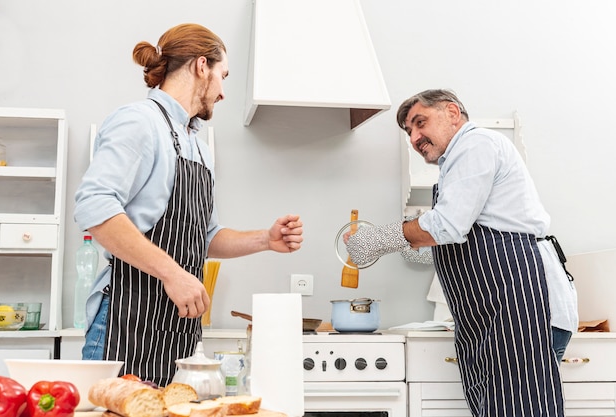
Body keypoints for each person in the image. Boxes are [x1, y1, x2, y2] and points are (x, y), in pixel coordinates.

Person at [74, 23, 303, 386]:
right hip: (125, 321)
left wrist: (265, 239)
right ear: (201, 66)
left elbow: (204, 235)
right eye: (222, 75)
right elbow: (94, 208)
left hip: (177, 331)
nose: (223, 92)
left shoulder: (198, 145)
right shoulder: (139, 121)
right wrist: (173, 274)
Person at [346, 89, 577, 416]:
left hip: (524, 311)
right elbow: (465, 237)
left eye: (419, 122)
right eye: (409, 131)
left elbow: (447, 226)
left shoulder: (475, 144)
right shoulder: (458, 164)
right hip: (496, 320)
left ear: (452, 112)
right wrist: (414, 245)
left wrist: (381, 239)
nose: (414, 137)